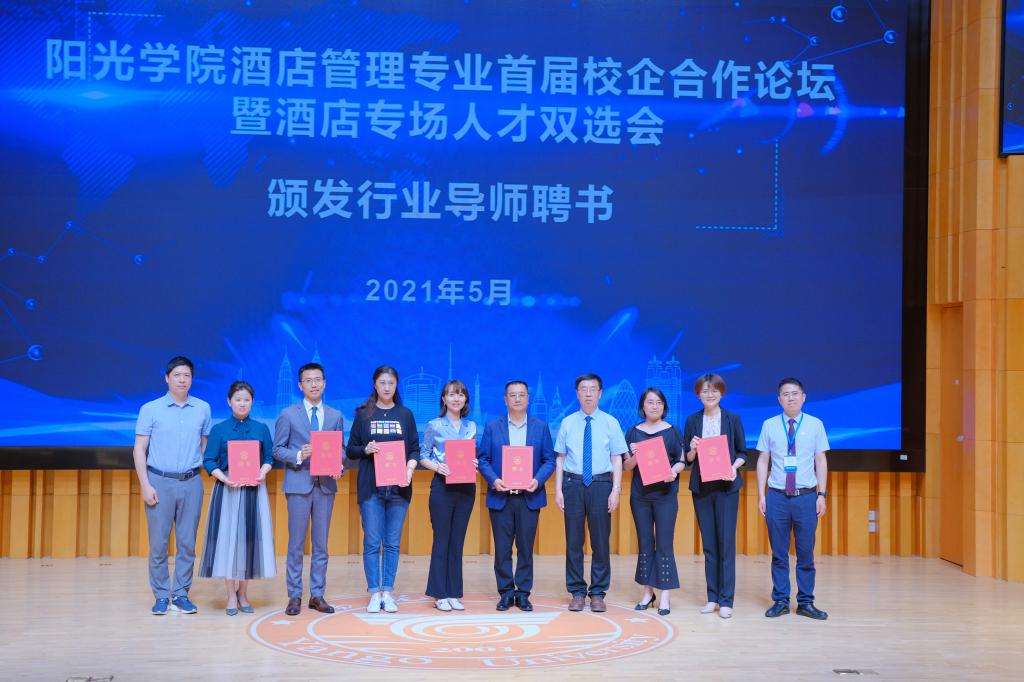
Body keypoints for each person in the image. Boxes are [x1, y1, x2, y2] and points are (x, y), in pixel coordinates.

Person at [132, 356, 212, 615]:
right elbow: (139, 449)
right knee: (158, 544)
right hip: (159, 481)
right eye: (177, 375)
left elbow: (204, 445)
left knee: (187, 543)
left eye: (187, 375)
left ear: (192, 379)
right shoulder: (150, 409)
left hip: (192, 482)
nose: (182, 379)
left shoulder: (202, 408)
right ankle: (161, 595)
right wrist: (145, 485)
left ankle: (180, 593)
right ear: (167, 378)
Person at [346, 365, 420, 614]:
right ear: (375, 384)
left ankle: (387, 592)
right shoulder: (363, 414)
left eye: (391, 383)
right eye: (382, 383)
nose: (387, 387)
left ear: (396, 385)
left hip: (399, 489)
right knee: (371, 542)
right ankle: (373, 593)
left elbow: (414, 448)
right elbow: (351, 449)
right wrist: (365, 449)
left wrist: (410, 468)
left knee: (392, 543)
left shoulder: (405, 414)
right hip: (371, 489)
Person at [198, 381, 276, 615]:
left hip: (254, 490)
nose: (242, 404)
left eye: (246, 400)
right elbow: (209, 460)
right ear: (229, 401)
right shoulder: (219, 429)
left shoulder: (261, 428)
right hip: (228, 491)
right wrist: (224, 477)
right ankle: (231, 595)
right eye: (238, 399)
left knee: (248, 542)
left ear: (252, 402)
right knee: (229, 542)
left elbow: (269, 457)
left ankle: (243, 593)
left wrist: (263, 472)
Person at [273, 362, 344, 617]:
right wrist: (298, 455)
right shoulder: (288, 414)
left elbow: (341, 449)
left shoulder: (335, 415)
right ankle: (294, 595)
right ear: (300, 385)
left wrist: (338, 464)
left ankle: (317, 595)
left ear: (324, 383)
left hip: (325, 486)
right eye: (308, 380)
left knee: (321, 544)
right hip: (298, 484)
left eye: (318, 380)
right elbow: (277, 449)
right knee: (296, 544)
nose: (314, 384)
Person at [478, 380, 556, 612]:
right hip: (501, 496)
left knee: (525, 549)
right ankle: (505, 592)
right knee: (502, 550)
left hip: (528, 497)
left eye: (522, 395)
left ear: (528, 398)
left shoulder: (540, 427)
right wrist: (494, 480)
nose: (517, 399)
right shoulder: (493, 426)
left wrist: (537, 480)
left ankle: (522, 594)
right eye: (513, 395)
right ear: (505, 399)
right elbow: (483, 459)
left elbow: (549, 460)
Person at [756, 377, 830, 620]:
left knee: (805, 553)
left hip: (806, 497)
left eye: (795, 393)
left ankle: (806, 602)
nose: (791, 398)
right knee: (779, 554)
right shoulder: (769, 425)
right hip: (776, 497)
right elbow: (763, 461)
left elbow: (820, 460)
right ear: (779, 399)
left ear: (803, 397)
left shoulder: (815, 424)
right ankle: (780, 601)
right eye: (785, 394)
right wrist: (761, 495)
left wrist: (822, 494)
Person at [554, 373, 627, 612]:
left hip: (601, 485)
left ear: (600, 393)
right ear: (577, 394)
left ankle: (597, 593)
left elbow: (617, 458)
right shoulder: (567, 422)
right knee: (573, 542)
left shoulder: (611, 422)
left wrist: (616, 489)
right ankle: (577, 592)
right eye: (583, 389)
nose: (588, 394)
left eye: (592, 389)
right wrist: (558, 489)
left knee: (600, 542)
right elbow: (560, 458)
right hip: (573, 485)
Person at [682, 374, 747, 619]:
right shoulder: (692, 420)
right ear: (698, 394)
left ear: (722, 393)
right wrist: (692, 449)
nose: (710, 395)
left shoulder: (732, 419)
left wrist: (734, 467)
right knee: (709, 545)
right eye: (705, 391)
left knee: (726, 544)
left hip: (726, 487)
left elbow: (742, 452)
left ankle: (726, 599)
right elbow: (687, 459)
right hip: (702, 488)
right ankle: (712, 597)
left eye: (714, 391)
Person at [622, 388, 685, 616]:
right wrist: (636, 456)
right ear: (643, 406)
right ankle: (648, 592)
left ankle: (665, 594)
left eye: (659, 402)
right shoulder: (633, 432)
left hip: (665, 495)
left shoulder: (673, 431)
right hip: (640, 496)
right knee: (645, 543)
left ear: (664, 406)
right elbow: (626, 466)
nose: (655, 406)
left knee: (665, 544)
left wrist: (673, 472)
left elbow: (681, 461)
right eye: (650, 402)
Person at [419, 380, 477, 612]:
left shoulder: (471, 426)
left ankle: (454, 592)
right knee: (442, 540)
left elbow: (472, 455)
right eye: (452, 394)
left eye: (461, 395)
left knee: (457, 541)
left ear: (465, 399)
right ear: (443, 399)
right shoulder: (434, 425)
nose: (456, 398)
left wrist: (475, 463)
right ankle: (439, 593)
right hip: (442, 487)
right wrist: (437, 467)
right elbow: (423, 455)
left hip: (466, 488)